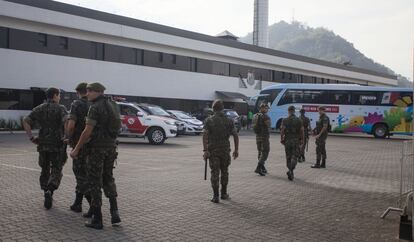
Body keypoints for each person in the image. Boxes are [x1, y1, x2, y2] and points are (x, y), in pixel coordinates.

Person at [70, 82, 121, 229]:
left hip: (96, 150)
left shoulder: (95, 107)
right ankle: (114, 212)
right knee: (108, 178)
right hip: (111, 148)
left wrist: (76, 149)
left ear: (97, 92)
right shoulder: (113, 105)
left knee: (94, 182)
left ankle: (97, 219)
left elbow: (87, 131)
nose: (87, 94)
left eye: (89, 91)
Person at [22, 87, 68, 209]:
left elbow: (26, 121)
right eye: (59, 95)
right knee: (57, 169)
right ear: (55, 95)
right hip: (57, 144)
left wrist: (31, 137)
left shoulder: (39, 108)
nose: (60, 97)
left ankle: (45, 191)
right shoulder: (61, 108)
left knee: (45, 169)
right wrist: (67, 136)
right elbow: (66, 122)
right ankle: (50, 190)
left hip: (43, 144)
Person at [203, 99, 239, 203]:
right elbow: (235, 135)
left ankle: (215, 196)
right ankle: (224, 193)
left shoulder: (209, 120)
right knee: (224, 172)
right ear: (222, 108)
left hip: (213, 151)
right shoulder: (229, 120)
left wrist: (205, 150)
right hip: (225, 151)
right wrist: (236, 150)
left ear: (213, 108)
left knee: (214, 173)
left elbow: (205, 135)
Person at [64, 82, 92, 215]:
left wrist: (68, 138)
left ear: (78, 92)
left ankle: (94, 206)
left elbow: (71, 126)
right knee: (85, 174)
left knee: (80, 174)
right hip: (94, 145)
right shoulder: (94, 103)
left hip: (80, 145)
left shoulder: (77, 104)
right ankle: (77, 203)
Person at [280, 106, 304, 181]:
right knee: (295, 156)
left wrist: (282, 139)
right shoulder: (299, 120)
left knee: (288, 156)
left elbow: (282, 130)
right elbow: (301, 131)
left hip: (287, 140)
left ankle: (291, 171)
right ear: (294, 111)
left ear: (288, 111)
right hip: (296, 140)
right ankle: (291, 170)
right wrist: (302, 139)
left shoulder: (285, 120)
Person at [253, 103, 271, 176]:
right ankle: (258, 167)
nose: (267, 109)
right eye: (266, 108)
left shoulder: (255, 116)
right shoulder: (265, 116)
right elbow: (269, 125)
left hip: (258, 136)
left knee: (260, 151)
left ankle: (262, 168)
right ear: (263, 108)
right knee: (265, 151)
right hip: (264, 136)